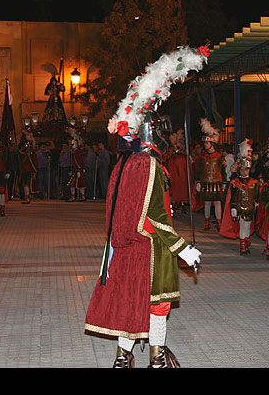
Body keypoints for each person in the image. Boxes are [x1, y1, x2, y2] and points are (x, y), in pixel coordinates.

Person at [84, 45, 206, 368]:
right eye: (162, 129)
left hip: (124, 250)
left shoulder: (122, 165)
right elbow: (155, 217)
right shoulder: (150, 166)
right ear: (150, 132)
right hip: (151, 250)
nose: (167, 134)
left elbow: (114, 214)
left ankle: (123, 357)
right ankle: (156, 357)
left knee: (129, 303)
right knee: (155, 306)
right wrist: (182, 249)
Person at [219, 139, 261, 254]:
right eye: (242, 169)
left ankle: (246, 241)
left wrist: (256, 203)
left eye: (246, 169)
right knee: (242, 225)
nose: (244, 172)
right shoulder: (235, 183)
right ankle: (242, 244)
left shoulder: (254, 182)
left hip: (250, 208)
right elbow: (233, 196)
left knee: (248, 225)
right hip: (239, 207)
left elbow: (256, 194)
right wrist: (233, 208)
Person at [195, 118, 225, 230]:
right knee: (207, 203)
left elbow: (222, 169)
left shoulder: (219, 156)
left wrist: (224, 182)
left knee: (217, 202)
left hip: (217, 181)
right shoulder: (202, 157)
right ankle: (206, 222)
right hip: (205, 181)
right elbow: (198, 170)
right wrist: (198, 182)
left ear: (212, 143)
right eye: (205, 142)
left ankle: (219, 222)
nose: (205, 144)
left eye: (207, 142)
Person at [67, 129, 86, 202]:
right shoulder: (74, 152)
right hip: (75, 169)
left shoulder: (77, 152)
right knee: (74, 183)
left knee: (77, 184)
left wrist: (78, 170)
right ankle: (77, 196)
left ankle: (79, 197)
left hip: (78, 170)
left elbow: (79, 162)